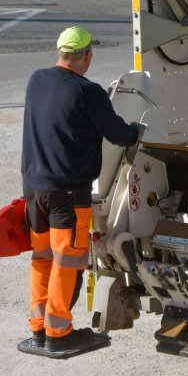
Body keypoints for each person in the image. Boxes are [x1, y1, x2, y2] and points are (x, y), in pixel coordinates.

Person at [21, 26, 141, 353]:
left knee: (42, 258)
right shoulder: (88, 92)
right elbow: (118, 133)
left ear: (60, 52)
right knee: (67, 261)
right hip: (68, 195)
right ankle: (59, 332)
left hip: (34, 190)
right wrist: (135, 132)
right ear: (86, 55)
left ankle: (38, 329)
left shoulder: (37, 80)